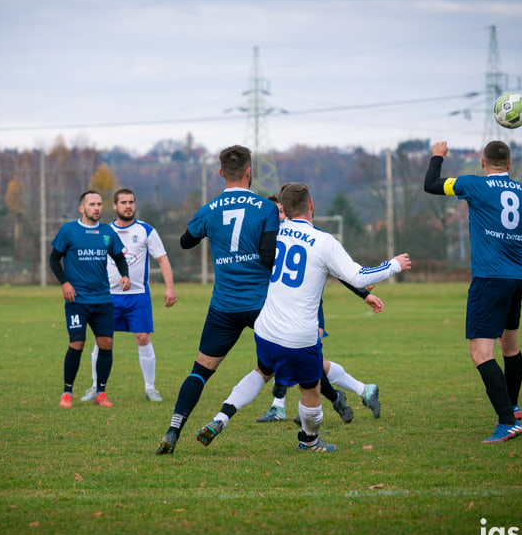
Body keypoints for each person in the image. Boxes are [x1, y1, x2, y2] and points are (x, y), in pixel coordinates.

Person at [195, 182, 411, 452]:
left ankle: (221, 418)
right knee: (310, 391)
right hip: (300, 336)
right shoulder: (324, 241)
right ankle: (309, 441)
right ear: (311, 205)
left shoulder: (274, 232)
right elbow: (357, 276)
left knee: (262, 371)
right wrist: (393, 265)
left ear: (282, 209)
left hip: (266, 329)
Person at [424, 140, 522, 443]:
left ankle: (507, 421)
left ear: (482, 162)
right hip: (516, 279)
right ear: (510, 165)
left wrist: (437, 156)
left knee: (480, 353)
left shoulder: (473, 185)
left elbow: (431, 184)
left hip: (489, 280)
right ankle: (512, 409)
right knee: (510, 347)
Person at [155, 145, 280, 455]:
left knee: (200, 371)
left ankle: (173, 429)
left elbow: (186, 242)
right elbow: (267, 257)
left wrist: (207, 228)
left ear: (221, 172)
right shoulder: (265, 208)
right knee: (290, 359)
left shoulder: (209, 209)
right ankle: (311, 432)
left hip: (224, 307)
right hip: (261, 305)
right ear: (250, 172)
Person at [256, 194, 382, 423]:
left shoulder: (310, 239)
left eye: (281, 212)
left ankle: (287, 405)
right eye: (276, 214)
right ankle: (361, 390)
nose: (279, 218)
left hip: (310, 312)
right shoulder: (272, 238)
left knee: (306, 361)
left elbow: (337, 269)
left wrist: (363, 293)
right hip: (283, 312)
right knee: (306, 361)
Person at [80, 188, 176, 403]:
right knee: (101, 340)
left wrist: (169, 287)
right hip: (107, 297)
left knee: (143, 337)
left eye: (131, 202)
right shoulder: (102, 231)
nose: (128, 206)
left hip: (138, 296)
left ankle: (150, 388)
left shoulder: (146, 231)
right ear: (115, 206)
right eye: (123, 202)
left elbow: (162, 259)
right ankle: (96, 387)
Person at [49, 190, 130, 409]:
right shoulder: (69, 230)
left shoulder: (107, 232)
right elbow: (54, 260)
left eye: (99, 204)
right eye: (92, 204)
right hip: (77, 300)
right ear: (81, 208)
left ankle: (100, 393)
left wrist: (125, 275)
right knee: (77, 343)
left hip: (103, 300)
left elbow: (120, 257)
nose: (97, 208)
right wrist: (65, 283)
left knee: (106, 344)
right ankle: (67, 393)